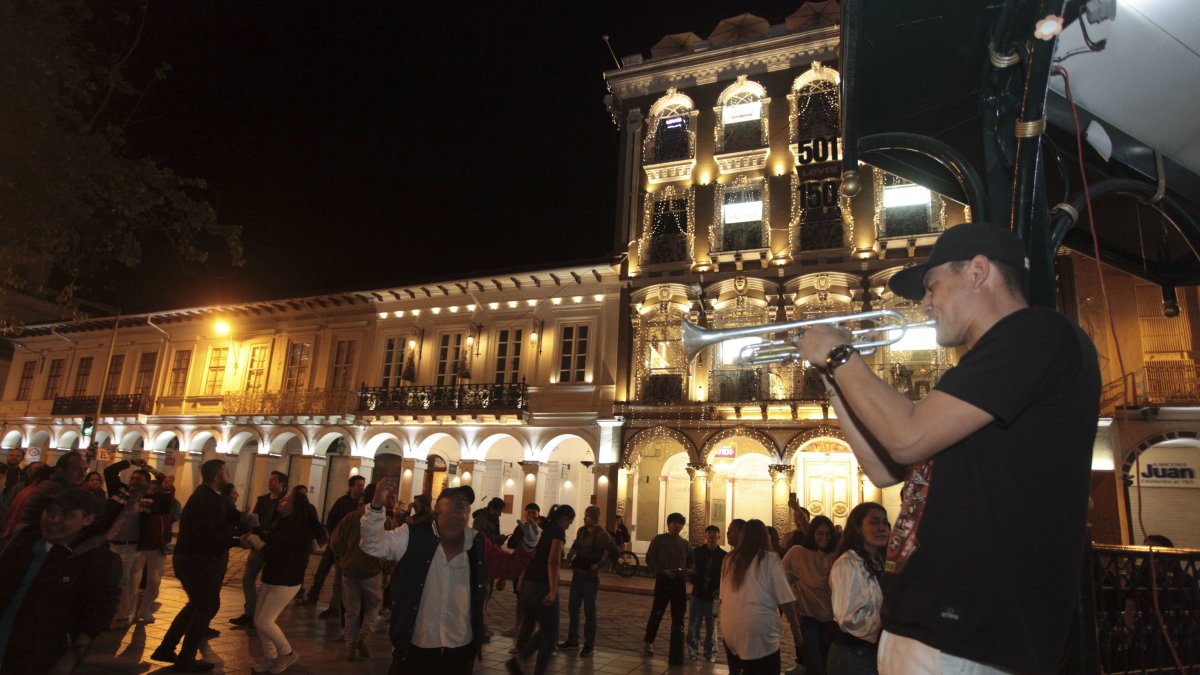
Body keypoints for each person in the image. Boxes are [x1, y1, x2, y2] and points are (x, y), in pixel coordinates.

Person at [797, 221, 1101, 674]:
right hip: (928, 630)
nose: (923, 306)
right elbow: (884, 468)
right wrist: (834, 382)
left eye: (931, 287)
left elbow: (906, 437)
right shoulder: (982, 369)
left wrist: (842, 356)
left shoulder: (1037, 333)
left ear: (978, 272)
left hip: (969, 636)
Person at [360, 480, 536, 674]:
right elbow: (373, 544)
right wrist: (376, 507)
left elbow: (507, 567)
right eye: (454, 498)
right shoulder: (413, 536)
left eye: (466, 501)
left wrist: (528, 545)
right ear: (437, 507)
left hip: (460, 650)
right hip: (417, 645)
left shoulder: (477, 542)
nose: (462, 502)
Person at [0, 487, 121, 673]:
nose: (54, 520)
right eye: (50, 511)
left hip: (40, 657)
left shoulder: (97, 560)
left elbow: (98, 614)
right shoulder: (20, 543)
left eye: (66, 514)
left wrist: (72, 656)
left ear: (88, 519)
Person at [152, 459, 242, 671]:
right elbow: (207, 536)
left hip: (194, 559)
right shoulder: (205, 500)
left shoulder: (210, 497)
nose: (228, 477)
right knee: (206, 606)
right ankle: (185, 658)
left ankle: (167, 647)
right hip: (197, 560)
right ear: (217, 477)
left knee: (196, 605)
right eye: (226, 473)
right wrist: (238, 541)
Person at [244, 489, 326, 673]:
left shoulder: (298, 530)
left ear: (294, 507)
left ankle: (287, 653)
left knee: (265, 620)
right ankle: (271, 657)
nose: (281, 501)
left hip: (286, 580)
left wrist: (259, 544)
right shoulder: (283, 522)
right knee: (259, 619)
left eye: (286, 500)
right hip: (272, 576)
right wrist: (256, 529)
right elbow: (272, 542)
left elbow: (280, 553)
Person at [719, 518, 802, 675]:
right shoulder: (769, 560)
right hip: (758, 629)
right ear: (765, 537)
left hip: (730, 627)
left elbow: (723, 596)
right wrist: (796, 630)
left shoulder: (729, 559)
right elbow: (786, 600)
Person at [506, 504, 576, 675]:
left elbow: (526, 553)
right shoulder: (558, 532)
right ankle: (531, 666)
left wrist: (521, 581)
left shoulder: (540, 528)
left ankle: (520, 659)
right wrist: (553, 590)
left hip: (528, 584)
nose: (569, 526)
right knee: (549, 634)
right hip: (542, 585)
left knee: (545, 628)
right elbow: (553, 561)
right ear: (564, 518)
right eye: (570, 522)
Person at [102, 457, 167, 630]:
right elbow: (109, 472)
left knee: (123, 580)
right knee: (108, 580)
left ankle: (122, 616)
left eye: (139, 479)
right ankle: (110, 612)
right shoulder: (119, 491)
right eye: (132, 478)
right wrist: (130, 462)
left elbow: (167, 483)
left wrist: (151, 469)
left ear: (147, 484)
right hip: (108, 543)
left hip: (129, 546)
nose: (133, 481)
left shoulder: (149, 501)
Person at [826, 503, 889, 675]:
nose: (882, 527)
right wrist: (889, 621)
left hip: (874, 651)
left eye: (885, 522)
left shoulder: (881, 561)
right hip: (853, 654)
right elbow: (848, 618)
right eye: (874, 522)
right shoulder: (849, 563)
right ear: (858, 528)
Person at [330, 482, 387, 661]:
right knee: (373, 606)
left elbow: (335, 541)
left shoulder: (351, 517)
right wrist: (386, 568)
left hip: (349, 569)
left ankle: (350, 645)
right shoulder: (383, 520)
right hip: (371, 570)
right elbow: (389, 548)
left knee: (351, 610)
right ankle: (364, 635)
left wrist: (343, 557)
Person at [559, 505, 618, 657]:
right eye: (585, 516)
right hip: (578, 574)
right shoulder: (581, 530)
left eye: (588, 516)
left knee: (589, 611)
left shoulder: (601, 534)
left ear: (594, 518)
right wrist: (569, 556)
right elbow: (575, 544)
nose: (585, 518)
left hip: (590, 578)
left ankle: (589, 644)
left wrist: (599, 565)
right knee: (573, 608)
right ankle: (573, 640)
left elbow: (613, 550)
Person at [782, 515, 838, 675]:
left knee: (827, 661)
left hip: (832, 618)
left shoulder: (836, 556)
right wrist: (795, 598)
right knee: (813, 661)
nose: (824, 537)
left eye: (828, 534)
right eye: (820, 533)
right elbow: (782, 580)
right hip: (807, 616)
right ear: (812, 534)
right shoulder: (797, 553)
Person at [303, 475, 365, 615]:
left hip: (347, 547)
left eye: (362, 485)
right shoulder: (342, 502)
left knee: (339, 576)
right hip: (334, 542)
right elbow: (331, 519)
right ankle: (313, 595)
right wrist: (333, 536)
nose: (361, 488)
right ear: (351, 487)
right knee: (322, 570)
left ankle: (335, 605)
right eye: (359, 485)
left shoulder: (362, 504)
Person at [233, 470, 287, 626]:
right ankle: (250, 611)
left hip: (274, 546)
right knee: (248, 578)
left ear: (282, 483)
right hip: (258, 543)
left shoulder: (285, 502)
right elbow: (255, 518)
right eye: (269, 480)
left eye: (274, 480)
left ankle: (266, 614)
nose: (270, 482)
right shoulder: (262, 500)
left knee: (270, 582)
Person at [642, 512, 693, 663]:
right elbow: (650, 558)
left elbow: (690, 562)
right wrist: (662, 570)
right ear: (668, 524)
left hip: (679, 582)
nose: (677, 526)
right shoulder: (659, 540)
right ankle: (648, 641)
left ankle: (677, 644)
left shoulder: (685, 544)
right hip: (663, 580)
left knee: (679, 614)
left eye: (680, 523)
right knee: (657, 611)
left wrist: (688, 570)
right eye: (674, 522)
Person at [133, 476, 177, 623]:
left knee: (154, 579)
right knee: (134, 578)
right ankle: (131, 609)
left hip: (157, 545)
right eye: (150, 488)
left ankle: (144, 609)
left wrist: (155, 473)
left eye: (155, 489)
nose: (152, 491)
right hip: (139, 544)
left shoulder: (166, 502)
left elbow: (168, 487)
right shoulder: (142, 501)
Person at [502, 502, 541, 647]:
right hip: (520, 566)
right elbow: (512, 543)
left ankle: (534, 628)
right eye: (529, 512)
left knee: (533, 600)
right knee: (519, 597)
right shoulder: (520, 528)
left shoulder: (539, 530)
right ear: (525, 513)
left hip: (533, 568)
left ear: (538, 514)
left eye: (534, 513)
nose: (531, 515)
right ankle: (518, 625)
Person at [687, 524, 727, 662]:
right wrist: (695, 580)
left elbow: (725, 576)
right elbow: (691, 570)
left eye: (715, 533)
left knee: (712, 626)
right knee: (694, 624)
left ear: (719, 536)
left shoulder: (723, 556)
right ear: (705, 535)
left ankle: (710, 653)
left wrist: (720, 590)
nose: (712, 535)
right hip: (697, 594)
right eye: (709, 532)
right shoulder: (696, 552)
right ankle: (693, 650)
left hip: (713, 598)